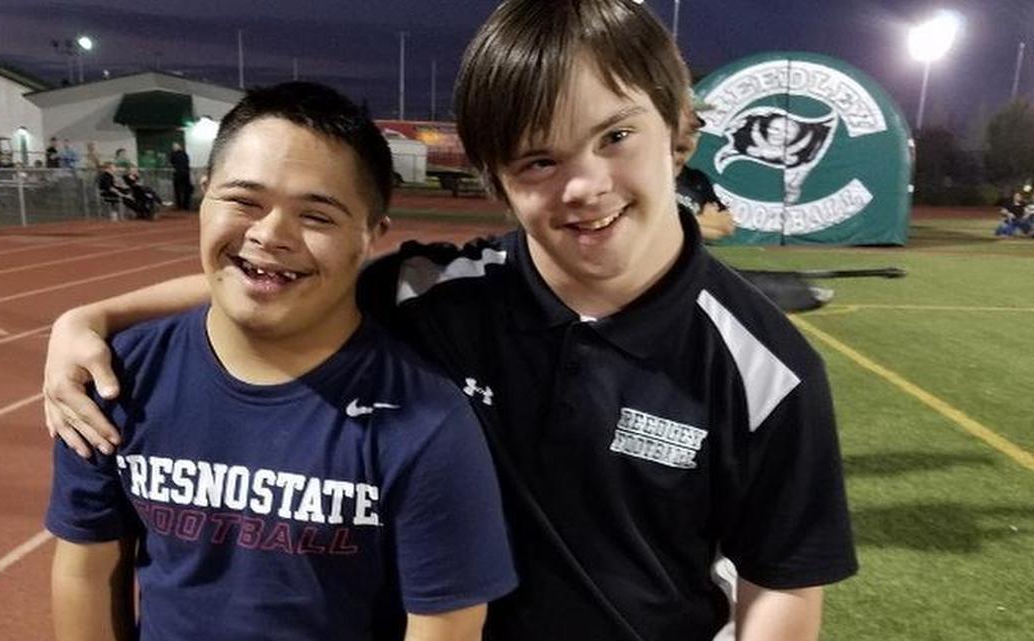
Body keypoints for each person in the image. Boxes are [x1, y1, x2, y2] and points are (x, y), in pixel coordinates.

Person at [43, 2, 857, 639]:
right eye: (539, 160)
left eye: (615, 136)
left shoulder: (765, 368)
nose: (584, 184)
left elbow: (780, 583)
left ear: (679, 131)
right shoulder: (437, 291)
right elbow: (276, 278)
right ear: (500, 180)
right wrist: (93, 317)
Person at [45, 82, 517, 641]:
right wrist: (84, 318)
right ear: (204, 195)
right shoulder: (113, 378)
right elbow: (85, 571)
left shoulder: (427, 422)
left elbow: (447, 627)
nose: (269, 234)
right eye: (244, 201)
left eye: (316, 216)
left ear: (371, 237)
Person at [674, 96, 736, 242]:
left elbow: (725, 224)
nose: (693, 122)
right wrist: (696, 225)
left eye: (694, 131)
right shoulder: (636, 177)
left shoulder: (696, 180)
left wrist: (680, 227)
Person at [169, 141, 193, 210]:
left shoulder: (173, 154)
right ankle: (186, 206)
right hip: (186, 173)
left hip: (178, 174)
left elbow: (171, 163)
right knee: (186, 190)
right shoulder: (185, 154)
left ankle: (179, 206)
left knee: (178, 191)